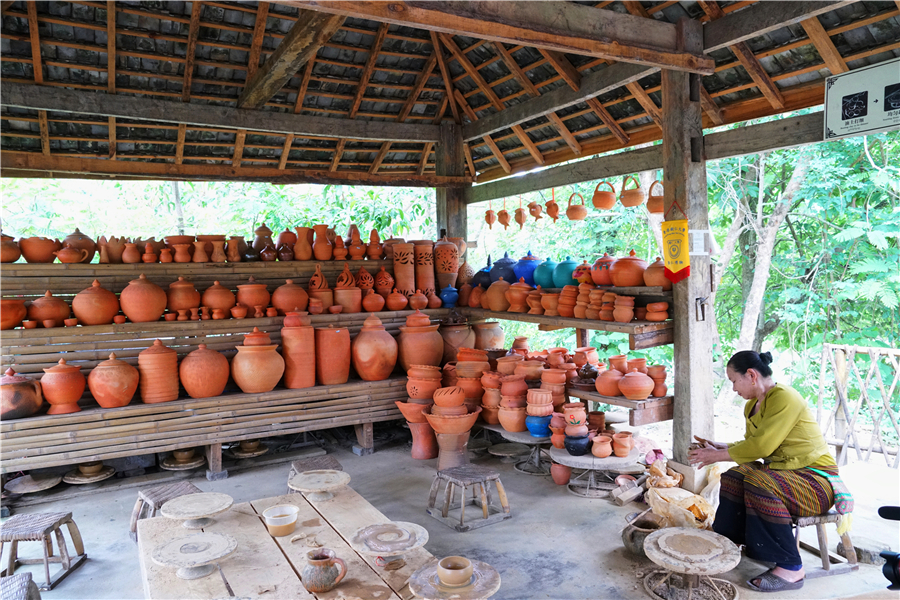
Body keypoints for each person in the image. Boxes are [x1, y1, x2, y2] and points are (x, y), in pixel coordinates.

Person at [688, 350, 850, 593]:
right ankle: (730, 543)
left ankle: (792, 568)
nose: (733, 389)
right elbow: (755, 446)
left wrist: (715, 456)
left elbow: (761, 447)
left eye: (734, 381)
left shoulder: (785, 398)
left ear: (751, 375)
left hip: (816, 482)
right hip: (786, 476)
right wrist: (722, 447)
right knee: (734, 476)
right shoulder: (752, 406)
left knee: (757, 480)